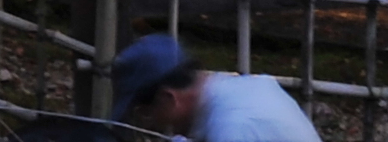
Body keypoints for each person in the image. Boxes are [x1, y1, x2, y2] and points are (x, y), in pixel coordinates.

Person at [113, 29, 320, 141]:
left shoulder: (233, 128)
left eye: (146, 114)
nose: (151, 124)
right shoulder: (245, 88)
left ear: (169, 98)